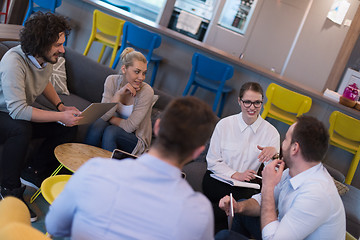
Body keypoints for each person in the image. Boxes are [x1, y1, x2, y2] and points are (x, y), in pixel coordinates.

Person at [45, 96, 217, 240]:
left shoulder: (95, 170)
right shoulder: (198, 213)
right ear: (198, 152)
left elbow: (54, 226)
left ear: (157, 127)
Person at [0, 12, 81, 222]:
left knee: (67, 126)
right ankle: (8, 188)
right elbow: (18, 111)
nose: (62, 50)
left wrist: (61, 106)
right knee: (21, 128)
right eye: (57, 45)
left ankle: (33, 173)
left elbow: (44, 82)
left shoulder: (44, 60)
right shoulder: (13, 62)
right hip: (2, 113)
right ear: (40, 44)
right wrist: (58, 115)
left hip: (12, 113)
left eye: (63, 44)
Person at [217, 116, 346, 240]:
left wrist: (267, 186)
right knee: (242, 211)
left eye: (285, 140)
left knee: (224, 236)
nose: (281, 145)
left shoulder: (316, 194)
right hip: (282, 233)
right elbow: (262, 202)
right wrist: (238, 207)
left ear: (294, 148)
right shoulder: (292, 171)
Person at [203, 82, 280, 204]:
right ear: (239, 101)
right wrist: (235, 174)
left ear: (262, 102)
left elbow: (273, 175)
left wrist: (274, 155)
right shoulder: (224, 124)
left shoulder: (271, 133)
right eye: (247, 102)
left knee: (238, 204)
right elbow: (212, 161)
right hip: (219, 178)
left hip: (244, 186)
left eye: (257, 103)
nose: (252, 107)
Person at [84, 47, 154, 155]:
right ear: (124, 69)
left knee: (111, 132)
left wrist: (110, 118)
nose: (141, 77)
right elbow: (102, 117)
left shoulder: (146, 92)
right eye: (137, 72)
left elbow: (130, 127)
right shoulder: (111, 81)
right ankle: (81, 161)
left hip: (135, 138)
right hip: (115, 127)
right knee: (98, 124)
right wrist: (118, 95)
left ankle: (109, 171)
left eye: (144, 73)